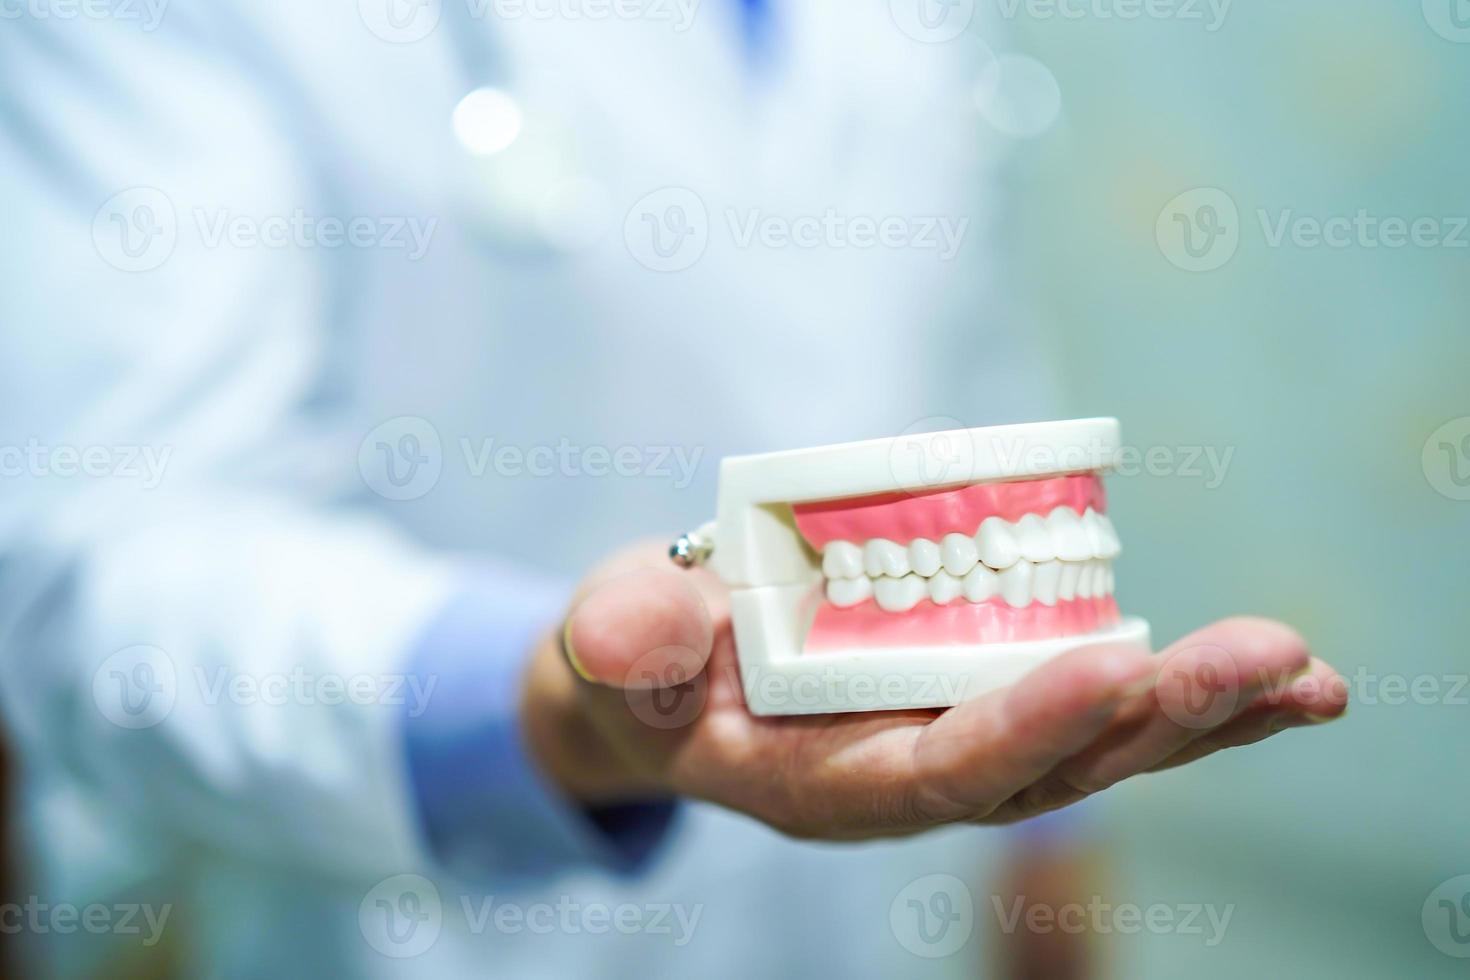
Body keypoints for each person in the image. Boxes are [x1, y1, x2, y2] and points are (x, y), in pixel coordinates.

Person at [0, 1, 1346, 976]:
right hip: (425, 926)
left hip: (895, 906)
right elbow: (115, 552)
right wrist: (548, 706)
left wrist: (1049, 858)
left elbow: (975, 395)